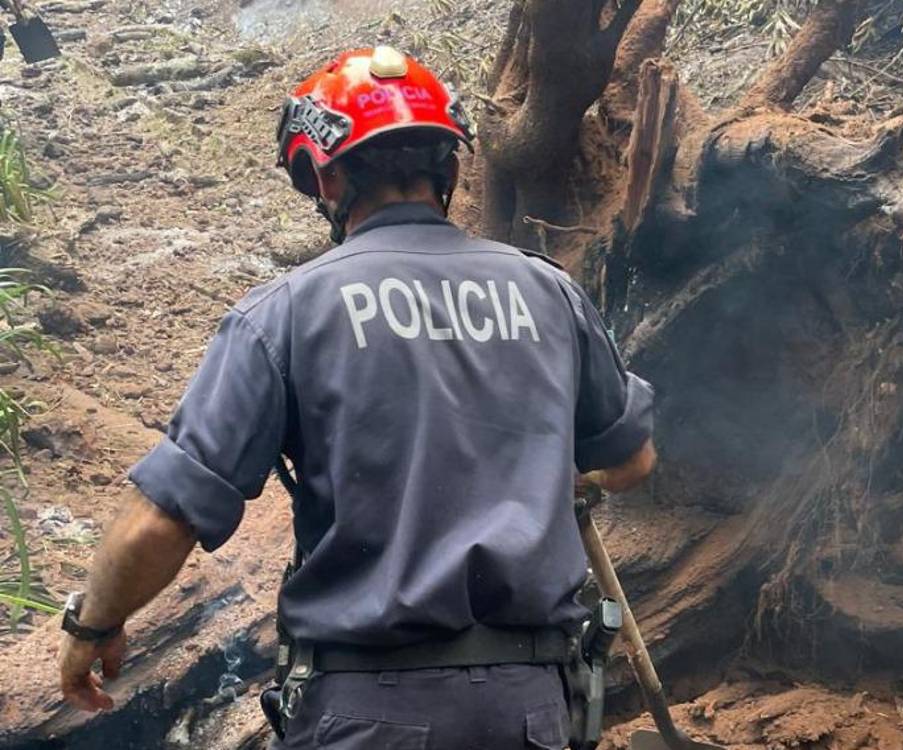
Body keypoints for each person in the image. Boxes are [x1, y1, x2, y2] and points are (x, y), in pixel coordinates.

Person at [56, 46, 656, 750]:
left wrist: (92, 625)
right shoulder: (546, 291)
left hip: (368, 713)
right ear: (450, 167)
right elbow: (630, 462)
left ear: (321, 174)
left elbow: (161, 519)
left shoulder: (285, 313)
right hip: (530, 712)